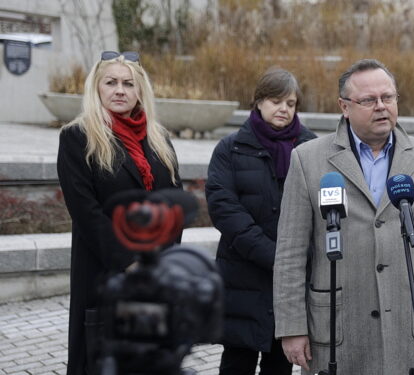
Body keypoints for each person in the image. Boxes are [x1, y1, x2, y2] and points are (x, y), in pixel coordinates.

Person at [272, 59, 414, 375]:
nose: (381, 106)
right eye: (368, 100)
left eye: (388, 97)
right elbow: (289, 253)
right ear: (344, 107)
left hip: (408, 322)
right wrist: (292, 326)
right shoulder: (308, 160)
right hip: (338, 331)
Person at [57, 51, 181, 375]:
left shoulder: (159, 139)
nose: (120, 90)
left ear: (140, 90)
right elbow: (86, 211)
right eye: (110, 82)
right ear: (96, 88)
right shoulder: (77, 137)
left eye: (128, 83)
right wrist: (130, 261)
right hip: (106, 274)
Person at [206, 68, 316, 375]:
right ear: (258, 102)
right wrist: (273, 255)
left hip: (292, 280)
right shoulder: (230, 148)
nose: (283, 109)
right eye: (275, 101)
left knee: (280, 364)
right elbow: (224, 209)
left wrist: (297, 258)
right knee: (237, 362)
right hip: (242, 275)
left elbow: (324, 212)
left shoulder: (310, 148)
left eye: (291, 103)